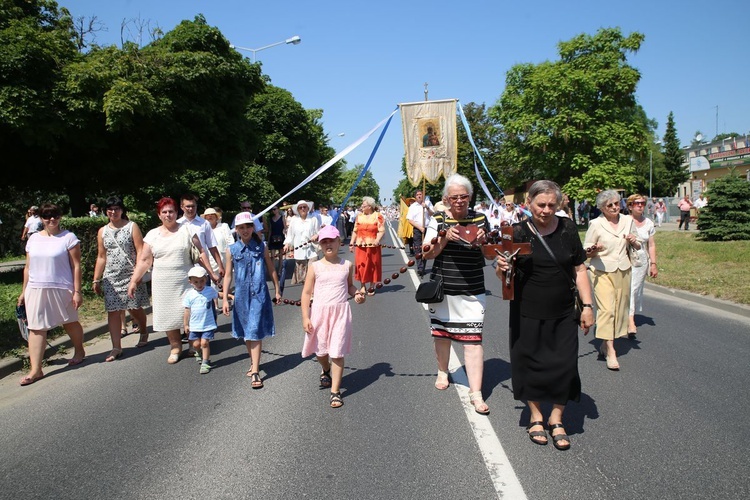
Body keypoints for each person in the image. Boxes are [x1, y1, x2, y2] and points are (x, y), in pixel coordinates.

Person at [494, 181, 594, 450]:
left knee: (564, 363)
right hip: (526, 310)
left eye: (552, 205)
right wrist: (502, 267)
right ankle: (536, 416)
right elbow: (502, 275)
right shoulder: (516, 232)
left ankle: (557, 418)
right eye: (541, 205)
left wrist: (587, 306)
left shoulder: (568, 229)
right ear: (528, 203)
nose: (547, 210)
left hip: (562, 310)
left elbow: (580, 269)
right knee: (529, 364)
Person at [421, 174, 491, 415]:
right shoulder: (438, 219)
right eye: (454, 197)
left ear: (470, 197)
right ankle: (443, 370)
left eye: (464, 196)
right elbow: (427, 253)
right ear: (446, 199)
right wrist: (443, 239)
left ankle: (476, 392)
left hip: (472, 288)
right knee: (442, 335)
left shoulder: (481, 218)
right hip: (444, 287)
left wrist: (484, 241)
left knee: (473, 340)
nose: (459, 201)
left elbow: (491, 255)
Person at [128, 197, 211, 364]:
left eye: (171, 211)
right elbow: (144, 260)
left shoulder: (186, 230)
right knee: (169, 315)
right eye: (164, 212)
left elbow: (201, 252)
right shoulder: (152, 235)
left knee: (191, 313)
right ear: (159, 215)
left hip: (186, 281)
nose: (168, 215)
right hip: (163, 283)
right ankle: (175, 346)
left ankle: (192, 344)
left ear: (176, 213)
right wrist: (134, 281)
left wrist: (210, 273)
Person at [17, 203, 86, 385]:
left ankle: (79, 351)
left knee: (70, 322)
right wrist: (24, 292)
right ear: (41, 218)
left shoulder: (68, 237)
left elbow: (76, 266)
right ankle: (36, 370)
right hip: (35, 288)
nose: (51, 219)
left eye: (55, 215)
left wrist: (77, 292)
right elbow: (27, 267)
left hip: (62, 288)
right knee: (36, 328)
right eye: (47, 216)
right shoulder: (33, 240)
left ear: (60, 217)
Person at [301, 225, 366, 408]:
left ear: (339, 241)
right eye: (324, 241)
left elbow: (350, 286)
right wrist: (305, 317)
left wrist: (357, 295)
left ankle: (335, 392)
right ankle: (325, 368)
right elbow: (306, 293)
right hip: (320, 313)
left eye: (331, 240)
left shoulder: (346, 265)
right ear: (320, 245)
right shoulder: (315, 267)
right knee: (321, 351)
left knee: (337, 352)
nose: (328, 244)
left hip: (340, 313)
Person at [584, 190, 641, 371]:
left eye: (617, 203)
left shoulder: (627, 220)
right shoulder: (596, 224)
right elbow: (586, 249)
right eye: (610, 205)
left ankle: (604, 342)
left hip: (623, 269)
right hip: (601, 270)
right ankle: (611, 351)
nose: (615, 207)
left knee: (618, 310)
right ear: (602, 208)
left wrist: (633, 240)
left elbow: (638, 244)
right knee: (607, 310)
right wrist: (594, 248)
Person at [222, 212, 281, 388]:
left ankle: (255, 372)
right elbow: (227, 276)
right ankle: (253, 362)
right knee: (247, 332)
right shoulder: (231, 250)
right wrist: (225, 298)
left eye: (248, 226)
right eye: (241, 227)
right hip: (241, 297)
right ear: (237, 230)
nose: (245, 230)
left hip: (259, 295)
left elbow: (271, 269)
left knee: (254, 330)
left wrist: (277, 290)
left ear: (253, 227)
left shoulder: (261, 246)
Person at [92, 196, 150, 359]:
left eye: (116, 208)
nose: (113, 212)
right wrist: (96, 278)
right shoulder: (102, 231)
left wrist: (138, 274)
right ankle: (116, 347)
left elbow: (140, 251)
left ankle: (144, 331)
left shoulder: (132, 227)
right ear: (106, 211)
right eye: (110, 209)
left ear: (122, 210)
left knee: (134, 308)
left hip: (131, 274)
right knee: (113, 311)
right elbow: (101, 256)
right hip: (111, 277)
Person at [626, 194, 658, 339]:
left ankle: (630, 319)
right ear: (630, 206)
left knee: (634, 289)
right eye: (637, 203)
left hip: (641, 260)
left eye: (643, 203)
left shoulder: (649, 223)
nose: (640, 206)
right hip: (625, 258)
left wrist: (653, 264)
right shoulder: (624, 221)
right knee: (625, 288)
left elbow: (651, 245)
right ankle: (624, 315)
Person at [178, 194, 224, 284]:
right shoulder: (177, 224)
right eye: (188, 206)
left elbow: (212, 246)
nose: (190, 209)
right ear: (182, 207)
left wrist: (220, 266)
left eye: (193, 206)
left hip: (203, 270)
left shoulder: (204, 223)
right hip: (184, 270)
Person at [183, 267, 219, 374]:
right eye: (196, 282)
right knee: (196, 345)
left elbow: (218, 295)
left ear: (206, 280)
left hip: (207, 324)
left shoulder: (209, 290)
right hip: (194, 325)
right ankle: (198, 352)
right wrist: (185, 324)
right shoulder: (189, 295)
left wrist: (229, 296)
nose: (199, 284)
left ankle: (205, 362)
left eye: (202, 281)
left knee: (204, 343)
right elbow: (187, 311)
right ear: (190, 282)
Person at [349, 196, 385, 296]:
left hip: (373, 246)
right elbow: (355, 231)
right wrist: (352, 242)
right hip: (361, 246)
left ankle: (372, 286)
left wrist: (377, 240)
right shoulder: (359, 216)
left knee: (373, 266)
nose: (362, 207)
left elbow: (381, 230)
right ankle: (363, 286)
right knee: (361, 266)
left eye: (364, 205)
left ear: (370, 206)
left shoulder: (378, 216)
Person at [283, 200, 320, 285]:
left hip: (312, 251)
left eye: (304, 207)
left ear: (308, 208)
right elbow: (290, 235)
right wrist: (287, 243)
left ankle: (312, 295)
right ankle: (307, 293)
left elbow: (319, 231)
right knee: (303, 277)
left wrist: (316, 235)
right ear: (298, 209)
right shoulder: (294, 221)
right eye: (300, 207)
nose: (303, 209)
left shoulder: (313, 219)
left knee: (312, 275)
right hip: (300, 252)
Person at [202, 207, 234, 293]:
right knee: (213, 284)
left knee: (227, 282)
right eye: (207, 216)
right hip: (210, 260)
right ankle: (215, 305)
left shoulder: (224, 226)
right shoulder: (203, 230)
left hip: (224, 259)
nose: (210, 217)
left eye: (212, 215)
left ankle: (227, 301)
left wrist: (230, 256)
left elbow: (230, 241)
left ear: (216, 217)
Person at [406, 189, 434, 277]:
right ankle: (420, 268)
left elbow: (432, 214)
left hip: (428, 229)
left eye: (420, 194)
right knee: (418, 248)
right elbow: (410, 220)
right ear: (415, 196)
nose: (419, 196)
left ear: (423, 195)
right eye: (417, 194)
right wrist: (420, 228)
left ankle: (423, 266)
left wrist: (426, 207)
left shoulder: (428, 203)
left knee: (425, 248)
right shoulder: (412, 206)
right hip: (418, 230)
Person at [266, 206, 286, 276]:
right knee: (272, 255)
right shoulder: (271, 219)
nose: (273, 211)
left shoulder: (282, 217)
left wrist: (286, 238)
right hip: (273, 237)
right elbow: (270, 230)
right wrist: (268, 240)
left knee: (280, 255)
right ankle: (273, 270)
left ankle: (279, 271)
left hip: (281, 236)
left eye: (275, 209)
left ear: (278, 209)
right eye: (272, 210)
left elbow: (285, 227)